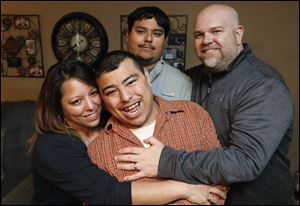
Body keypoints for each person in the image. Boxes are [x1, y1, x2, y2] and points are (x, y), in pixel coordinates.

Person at [115, 4, 295, 205]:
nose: (206, 40)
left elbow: (245, 162)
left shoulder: (263, 85)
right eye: (199, 35)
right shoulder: (194, 77)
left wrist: (166, 160)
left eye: (216, 31)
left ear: (238, 34)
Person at [28, 59, 225, 205]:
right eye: (76, 102)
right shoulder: (51, 147)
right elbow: (109, 193)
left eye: (93, 93)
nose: (91, 106)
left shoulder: (112, 122)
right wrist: (185, 189)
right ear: (59, 108)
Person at [88, 50, 227, 205]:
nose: (125, 97)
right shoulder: (98, 151)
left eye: (131, 82)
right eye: (111, 92)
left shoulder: (193, 114)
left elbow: (220, 184)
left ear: (146, 76)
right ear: (102, 99)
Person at [125, 6, 192, 100]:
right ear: (127, 36)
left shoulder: (182, 83)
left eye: (157, 34)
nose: (148, 38)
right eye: (141, 31)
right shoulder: (111, 77)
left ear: (165, 41)